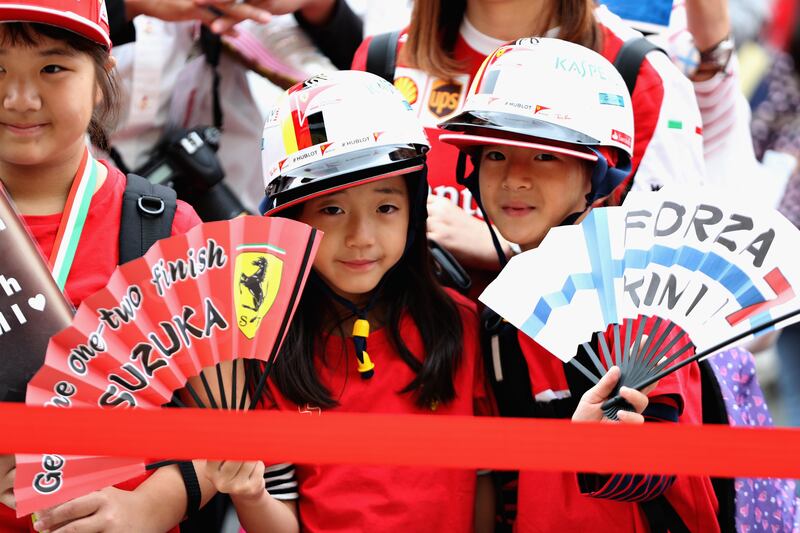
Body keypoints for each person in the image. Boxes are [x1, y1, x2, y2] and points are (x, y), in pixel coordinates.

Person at [438, 38, 719, 531]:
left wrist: (605, 446)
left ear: (598, 174)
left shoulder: (638, 298)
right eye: (496, 155)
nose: (514, 179)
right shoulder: (503, 307)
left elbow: (660, 473)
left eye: (544, 157)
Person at [0, 1, 204, 531]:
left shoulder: (163, 231)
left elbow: (227, 428)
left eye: (52, 68)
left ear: (101, 80)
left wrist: (148, 507)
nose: (19, 98)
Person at [352, 0, 705, 293]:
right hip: (406, 365)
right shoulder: (382, 60)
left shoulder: (640, 73)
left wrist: (509, 252)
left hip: (565, 371)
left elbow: (672, 279)